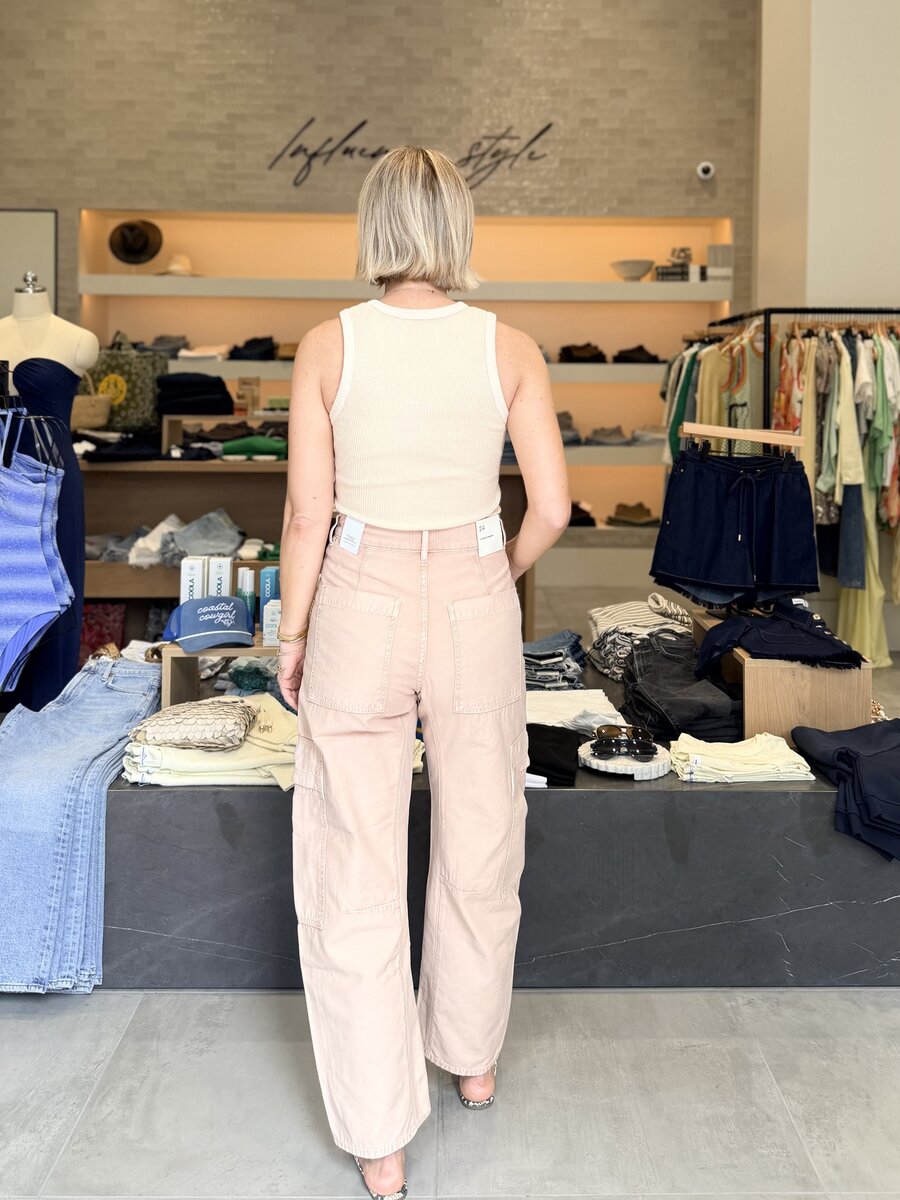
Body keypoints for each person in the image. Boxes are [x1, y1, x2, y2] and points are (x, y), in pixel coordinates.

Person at [276, 145, 570, 1200]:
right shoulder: (510, 348)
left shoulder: (328, 346)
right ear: (457, 227)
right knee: (482, 834)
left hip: (359, 593)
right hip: (476, 593)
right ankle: (471, 1059)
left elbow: (306, 514)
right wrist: (493, 574)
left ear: (376, 225)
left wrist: (292, 634)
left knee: (352, 859)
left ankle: (380, 1139)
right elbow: (553, 508)